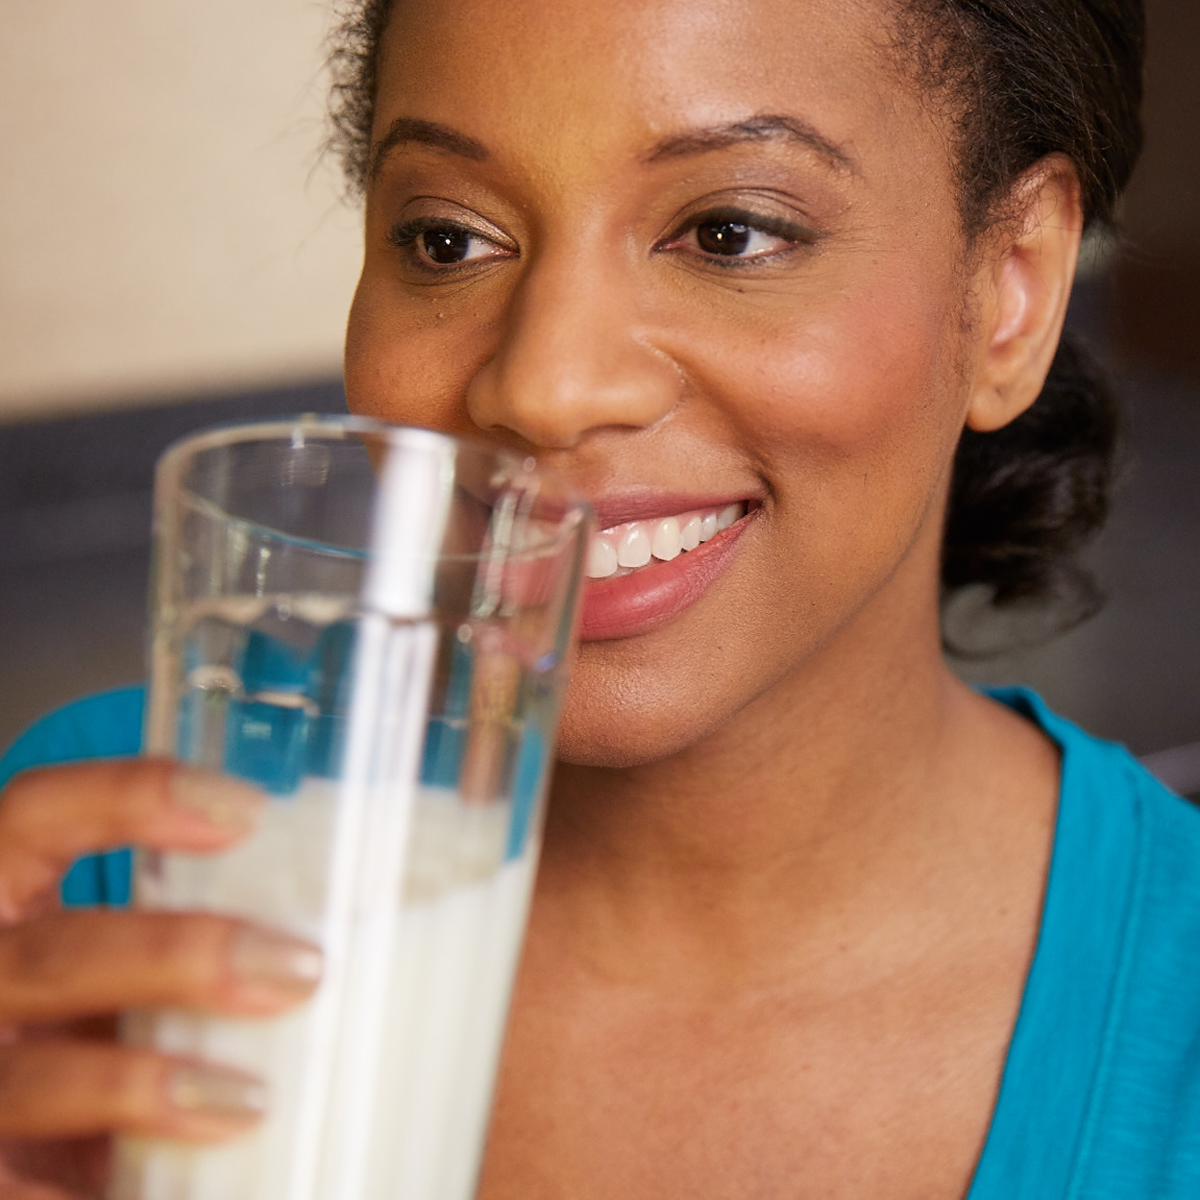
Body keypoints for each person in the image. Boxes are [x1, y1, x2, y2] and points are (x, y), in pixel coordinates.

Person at [2, 0, 1193, 1196]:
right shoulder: (96, 865)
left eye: (730, 232)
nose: (547, 386)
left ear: (1012, 289)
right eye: (447, 240)